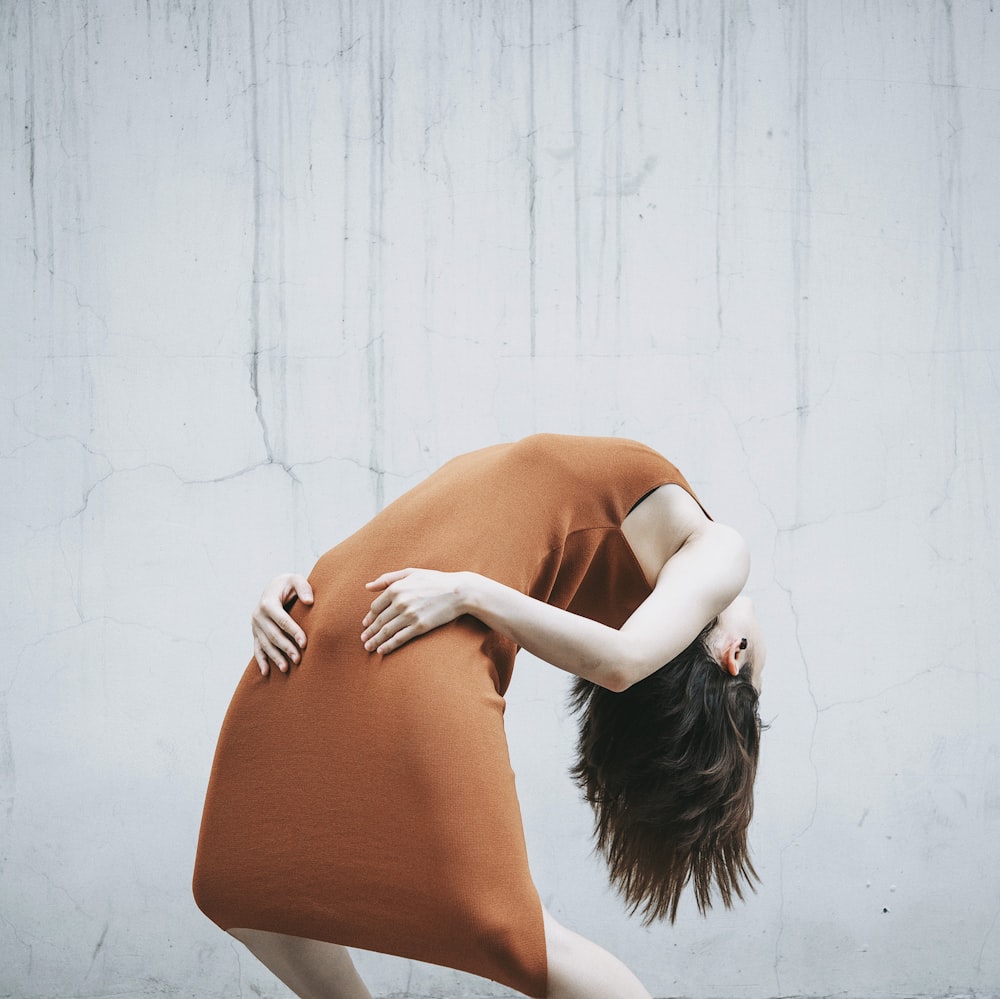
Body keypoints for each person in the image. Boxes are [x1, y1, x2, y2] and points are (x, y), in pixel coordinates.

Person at [193, 433, 766, 999]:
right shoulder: (667, 567)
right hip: (317, 625)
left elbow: (620, 663)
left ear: (733, 656)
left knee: (516, 938)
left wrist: (470, 591)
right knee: (238, 885)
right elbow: (452, 531)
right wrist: (301, 584)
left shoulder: (719, 553)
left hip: (403, 637)